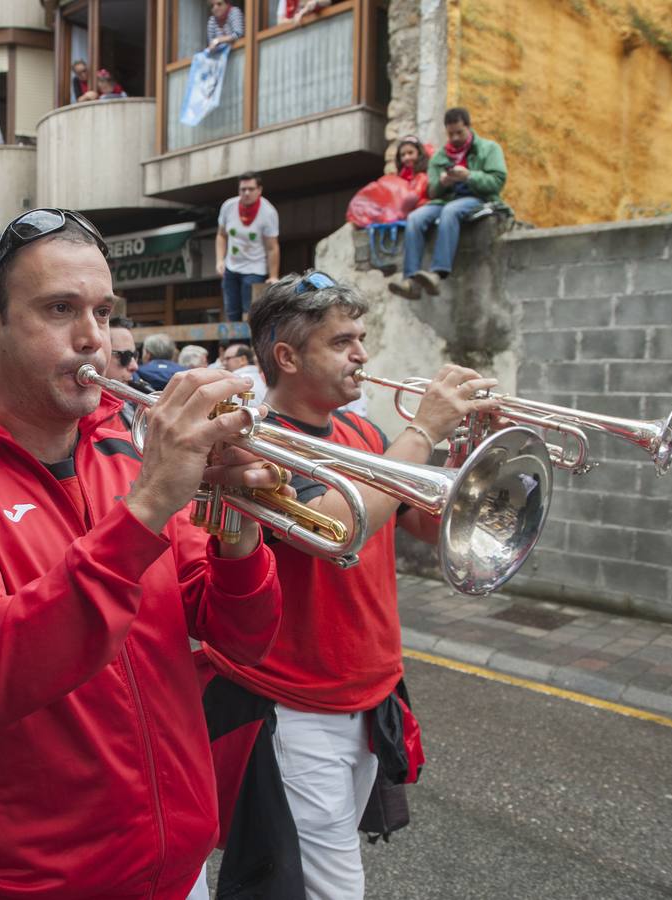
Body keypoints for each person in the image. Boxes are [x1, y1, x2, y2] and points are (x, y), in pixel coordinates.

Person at [0, 207, 283, 898]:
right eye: (60, 308)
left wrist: (239, 536)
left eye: (101, 311)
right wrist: (148, 507)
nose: (92, 337)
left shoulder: (126, 451)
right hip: (39, 880)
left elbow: (242, 638)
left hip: (179, 866)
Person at [204, 272, 499, 900]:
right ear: (286, 356)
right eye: (342, 342)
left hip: (368, 695)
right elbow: (337, 528)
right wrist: (421, 433)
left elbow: (422, 523)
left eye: (361, 338)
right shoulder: (255, 444)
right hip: (298, 708)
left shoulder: (365, 435)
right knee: (329, 889)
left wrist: (472, 448)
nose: (362, 355)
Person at [389, 107, 508, 300]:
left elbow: (497, 181)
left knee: (450, 212)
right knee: (415, 218)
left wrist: (469, 176)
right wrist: (443, 183)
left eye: (459, 132)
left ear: (468, 127)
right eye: (450, 133)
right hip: (445, 199)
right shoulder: (439, 157)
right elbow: (431, 191)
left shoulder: (489, 149)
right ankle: (410, 281)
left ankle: (437, 274)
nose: (454, 137)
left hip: (478, 197)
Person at [217, 171, 281, 322]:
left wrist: (273, 276)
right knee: (231, 310)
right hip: (231, 266)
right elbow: (221, 235)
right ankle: (234, 345)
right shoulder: (228, 206)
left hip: (255, 268)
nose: (246, 193)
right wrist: (220, 260)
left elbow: (272, 247)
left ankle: (248, 345)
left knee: (250, 311)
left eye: (250, 189)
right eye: (242, 189)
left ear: (259, 190)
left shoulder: (268, 212)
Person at [105, 314, 144, 433]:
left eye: (134, 356)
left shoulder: (130, 403)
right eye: (125, 356)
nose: (134, 366)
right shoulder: (85, 418)